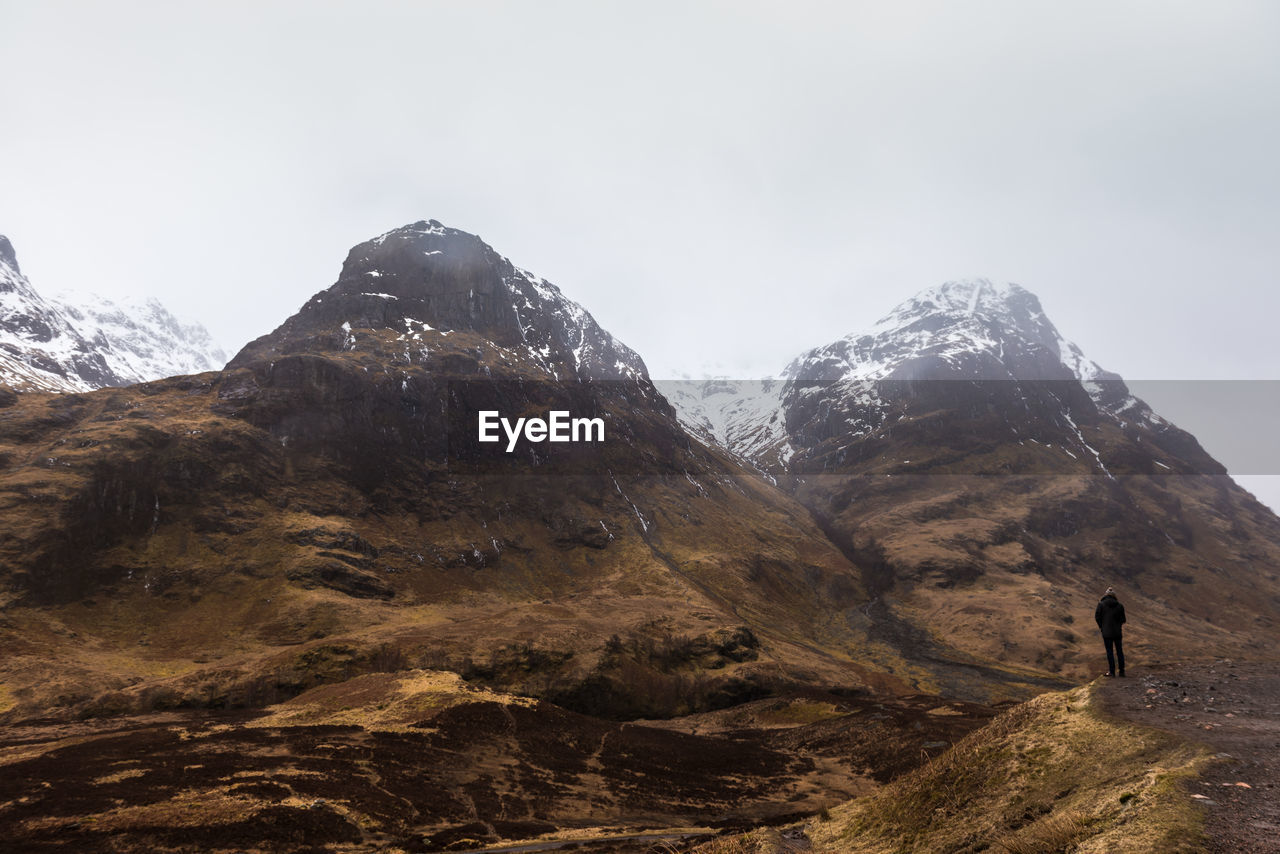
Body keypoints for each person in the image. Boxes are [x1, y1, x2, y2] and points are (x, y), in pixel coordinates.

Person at [1095, 586, 1126, 677]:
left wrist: (1102, 626)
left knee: (1109, 652)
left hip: (1106, 632)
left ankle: (1112, 672)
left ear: (1105, 595)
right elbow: (1123, 619)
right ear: (1114, 596)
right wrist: (1118, 625)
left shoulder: (1101, 604)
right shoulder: (1120, 606)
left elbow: (1097, 617)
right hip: (1117, 632)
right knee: (1119, 651)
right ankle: (1122, 671)